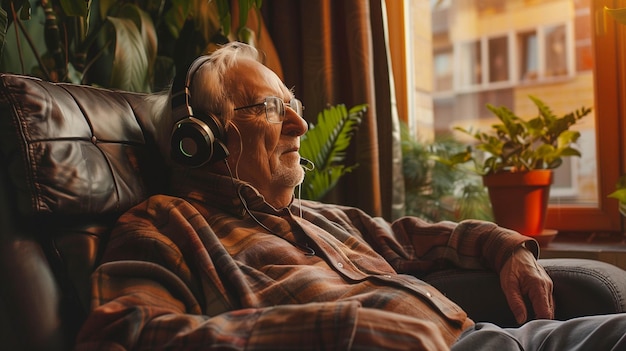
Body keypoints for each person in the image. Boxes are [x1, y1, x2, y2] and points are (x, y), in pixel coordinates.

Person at [74, 42, 626, 350]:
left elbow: (422, 237)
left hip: (492, 340)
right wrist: (340, 330)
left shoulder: (318, 217)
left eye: (292, 103)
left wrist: (509, 248)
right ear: (205, 140)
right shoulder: (164, 226)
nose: (298, 122)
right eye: (269, 107)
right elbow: (124, 334)